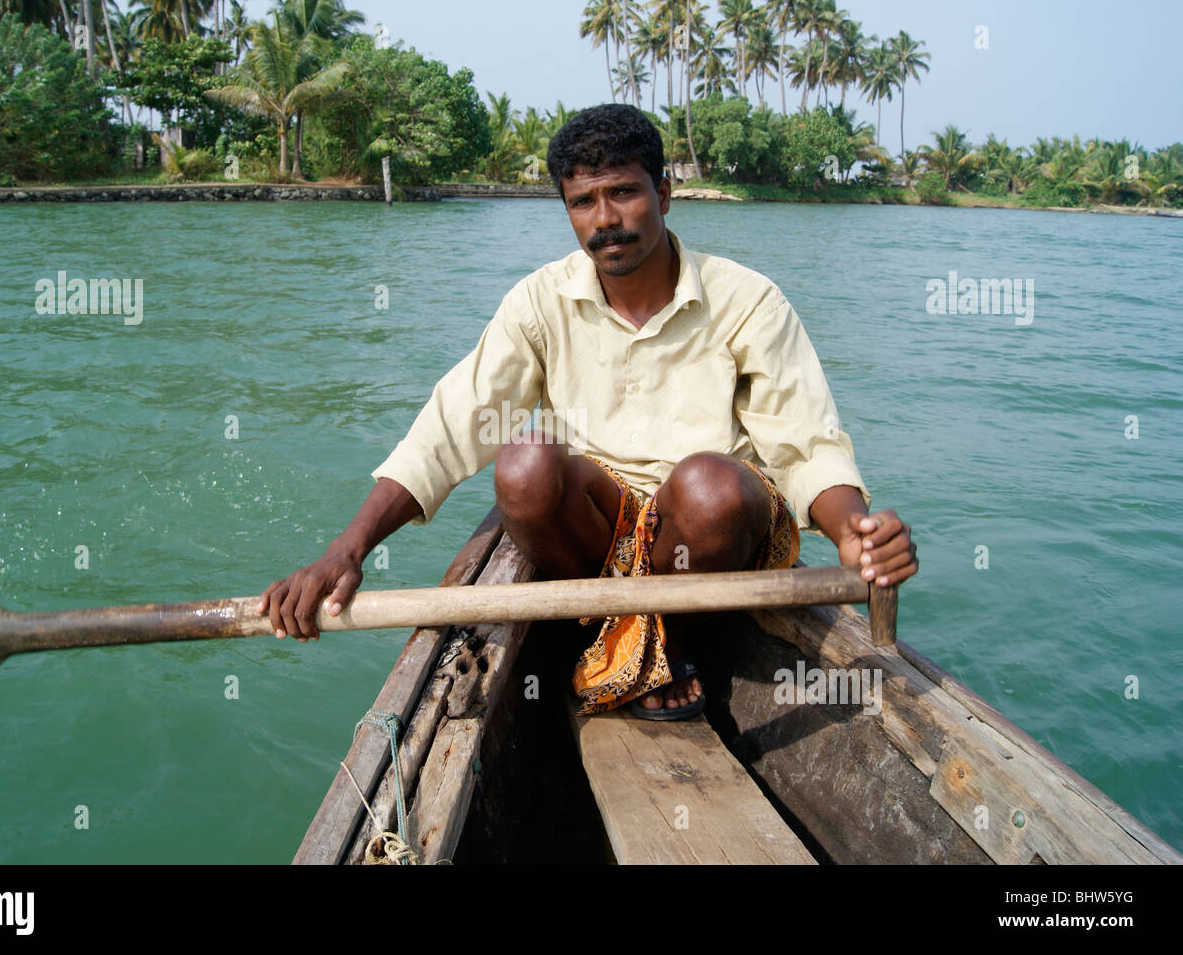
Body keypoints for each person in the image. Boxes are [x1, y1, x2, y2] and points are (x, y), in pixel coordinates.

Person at [257, 103, 917, 719]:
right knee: (522, 465)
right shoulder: (539, 302)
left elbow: (805, 441)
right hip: (597, 533)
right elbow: (451, 425)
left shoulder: (748, 300)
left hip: (710, 539)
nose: (605, 219)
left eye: (624, 193)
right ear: (567, 211)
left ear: (662, 193)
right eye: (583, 202)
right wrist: (346, 550)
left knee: (710, 488)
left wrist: (854, 529)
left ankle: (656, 640)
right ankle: (624, 632)